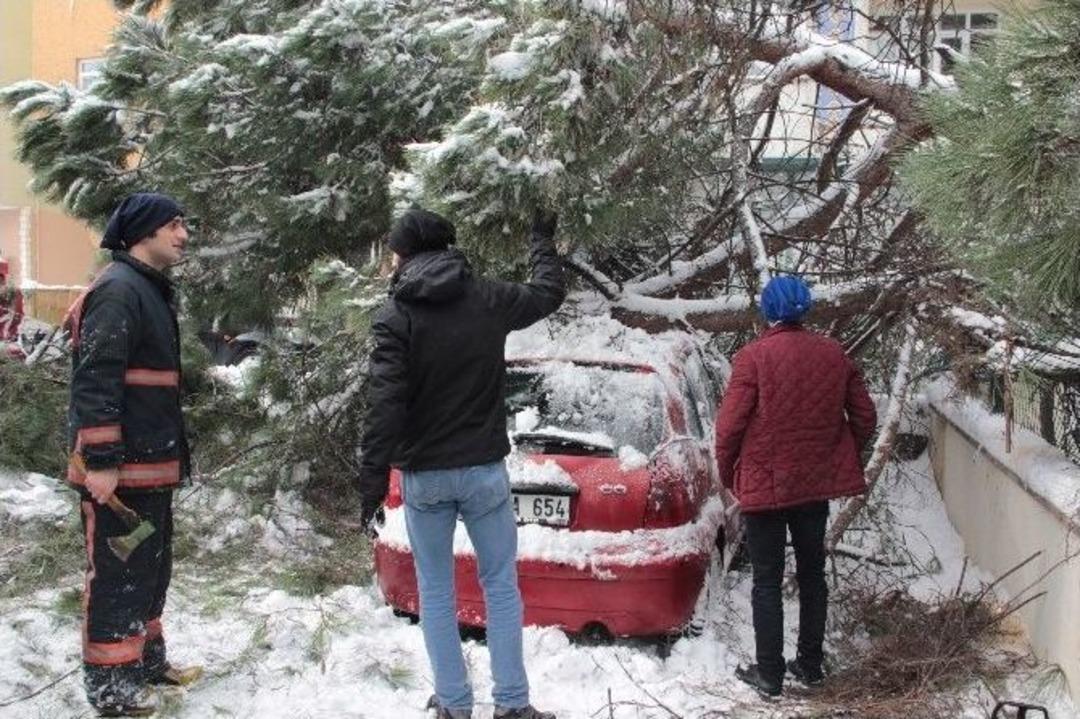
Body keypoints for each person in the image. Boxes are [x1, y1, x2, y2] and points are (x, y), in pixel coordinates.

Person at [358, 207, 565, 719]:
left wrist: (370, 485)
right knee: (500, 584)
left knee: (435, 588)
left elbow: (384, 406)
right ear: (449, 247)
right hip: (483, 473)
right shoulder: (488, 298)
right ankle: (513, 704)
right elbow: (547, 291)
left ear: (402, 256)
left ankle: (453, 704)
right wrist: (541, 237)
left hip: (425, 476)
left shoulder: (396, 316)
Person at [65, 192, 200, 717]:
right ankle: (110, 688)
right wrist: (100, 463)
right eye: (173, 225)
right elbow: (95, 382)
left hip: (150, 470)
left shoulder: (145, 289)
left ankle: (143, 663)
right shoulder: (119, 292)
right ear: (143, 232)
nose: (183, 235)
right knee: (118, 576)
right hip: (119, 477)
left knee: (150, 570)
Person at [714, 275, 877, 699]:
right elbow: (865, 417)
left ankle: (769, 675)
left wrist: (727, 472)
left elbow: (729, 428)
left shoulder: (752, 358)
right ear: (805, 309)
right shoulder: (833, 354)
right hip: (813, 487)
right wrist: (837, 453)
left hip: (765, 488)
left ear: (768, 312)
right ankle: (810, 664)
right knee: (812, 575)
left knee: (766, 580)